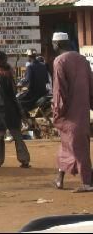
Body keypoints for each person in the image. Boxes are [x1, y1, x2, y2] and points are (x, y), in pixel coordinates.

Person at [51, 32, 93, 192]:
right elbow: (91, 83)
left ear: (57, 44)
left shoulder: (59, 61)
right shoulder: (82, 59)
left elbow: (59, 89)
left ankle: (87, 183)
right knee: (67, 145)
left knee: (77, 147)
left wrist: (57, 110)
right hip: (82, 110)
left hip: (68, 113)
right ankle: (59, 179)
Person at [0, 51, 31, 168]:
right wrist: (20, 111)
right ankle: (24, 160)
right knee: (17, 135)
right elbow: (13, 95)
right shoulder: (8, 75)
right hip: (10, 107)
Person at [17, 49, 49, 115]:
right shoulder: (43, 66)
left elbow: (28, 81)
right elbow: (46, 80)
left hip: (33, 94)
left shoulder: (30, 67)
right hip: (43, 92)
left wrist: (20, 84)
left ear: (28, 57)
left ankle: (26, 118)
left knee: (17, 100)